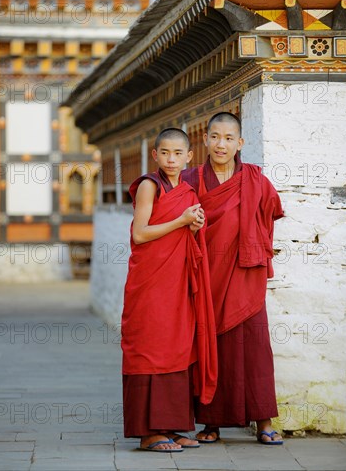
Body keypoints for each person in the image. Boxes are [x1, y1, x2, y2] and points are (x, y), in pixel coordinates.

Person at [182, 112, 285, 446]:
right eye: (214, 137)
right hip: (205, 277)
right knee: (210, 348)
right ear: (205, 140)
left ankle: (265, 421)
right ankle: (210, 423)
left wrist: (252, 244)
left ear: (240, 143)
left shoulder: (255, 179)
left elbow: (270, 212)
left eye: (228, 138)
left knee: (254, 349)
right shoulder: (190, 179)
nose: (220, 144)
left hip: (243, 274)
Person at [121, 128, 218, 453]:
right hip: (150, 282)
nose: (171, 159)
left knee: (177, 345)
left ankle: (173, 427)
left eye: (178, 154)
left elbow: (190, 234)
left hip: (177, 280)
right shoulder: (150, 185)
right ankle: (149, 432)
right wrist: (181, 221)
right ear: (155, 155)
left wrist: (194, 226)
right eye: (165, 153)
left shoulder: (188, 192)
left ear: (189, 156)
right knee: (151, 345)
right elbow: (140, 234)